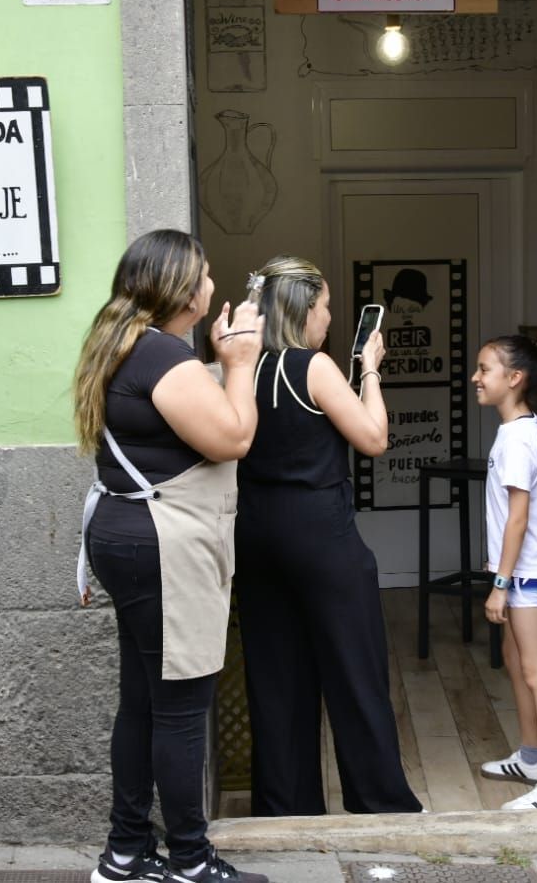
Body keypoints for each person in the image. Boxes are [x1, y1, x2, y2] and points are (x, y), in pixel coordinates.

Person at [73, 229, 269, 883]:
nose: (214, 284)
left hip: (124, 536)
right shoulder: (163, 358)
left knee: (143, 701)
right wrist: (240, 364)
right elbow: (232, 436)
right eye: (206, 275)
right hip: (161, 544)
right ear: (186, 291)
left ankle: (126, 852)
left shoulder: (123, 345)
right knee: (181, 709)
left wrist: (216, 362)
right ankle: (189, 859)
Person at [233, 255, 423, 817]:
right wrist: (369, 369)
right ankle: (380, 802)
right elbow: (373, 438)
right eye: (325, 307)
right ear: (302, 309)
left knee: (275, 678)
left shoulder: (238, 368)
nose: (330, 317)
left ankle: (284, 807)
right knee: (354, 670)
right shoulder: (311, 367)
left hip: (256, 530)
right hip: (318, 529)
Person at [471, 334, 537, 811]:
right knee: (517, 662)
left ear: (514, 379)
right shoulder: (523, 427)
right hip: (520, 570)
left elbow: (518, 517)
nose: (476, 377)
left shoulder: (517, 438)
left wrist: (500, 584)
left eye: (484, 369)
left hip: (526, 574)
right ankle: (532, 756)